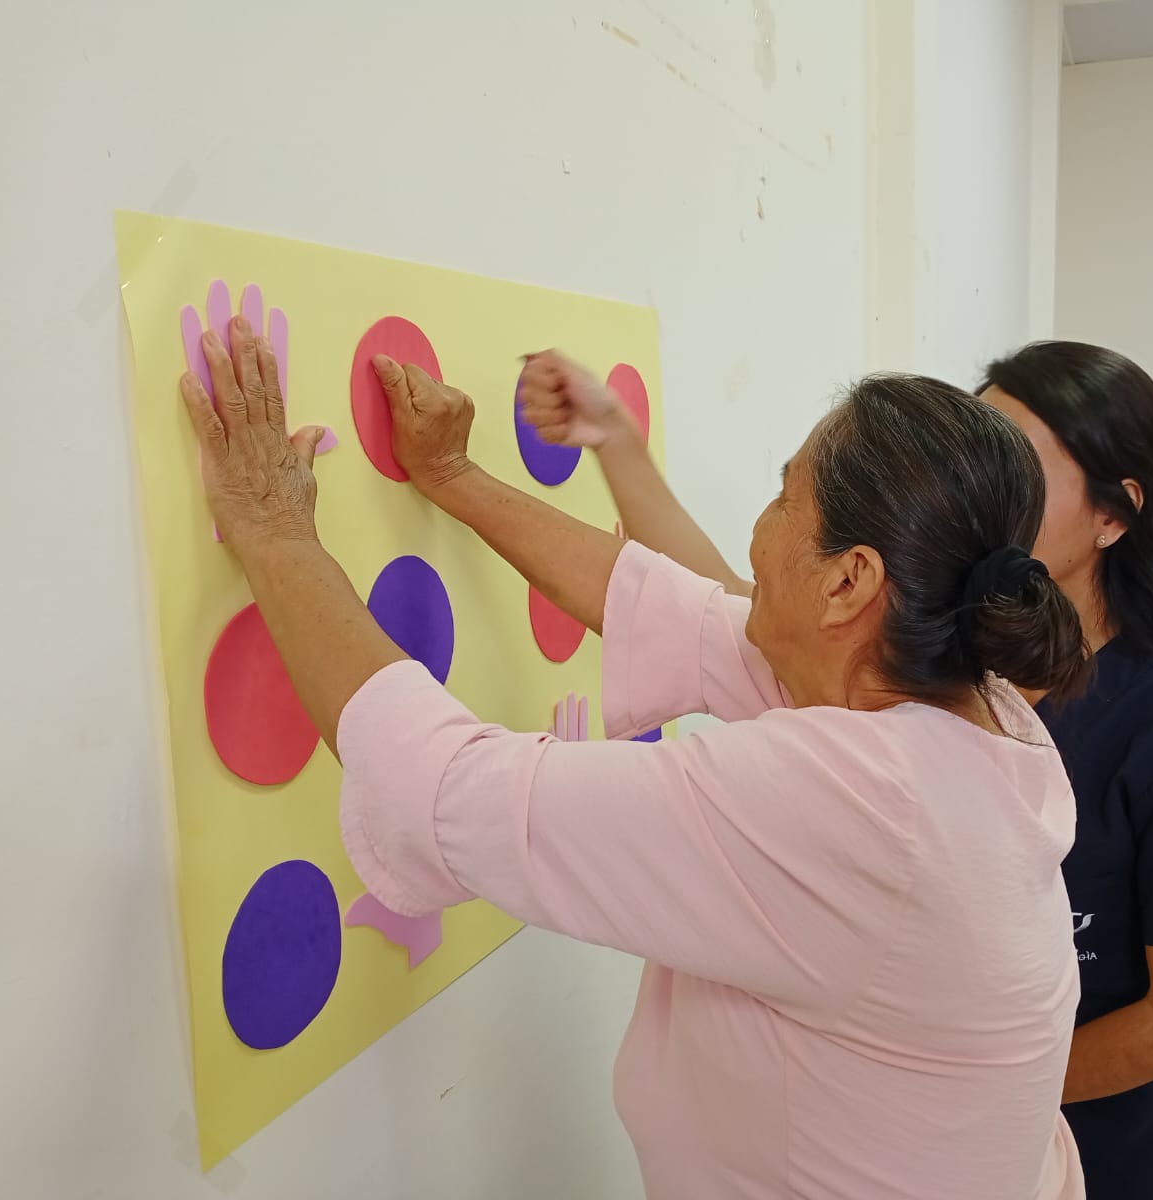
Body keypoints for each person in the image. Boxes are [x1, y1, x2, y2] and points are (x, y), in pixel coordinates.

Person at [178, 316, 1090, 1200]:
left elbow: (438, 790)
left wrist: (273, 530)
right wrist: (453, 475)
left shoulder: (860, 804)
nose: (760, 532)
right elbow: (673, 610)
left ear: (848, 581)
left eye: (784, 497)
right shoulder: (967, 704)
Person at [522, 341, 1153, 1198]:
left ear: (1114, 515)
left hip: (1103, 1153)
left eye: (1016, 462)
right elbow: (726, 612)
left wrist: (970, 1092)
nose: (977, 478)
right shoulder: (933, 657)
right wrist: (616, 441)